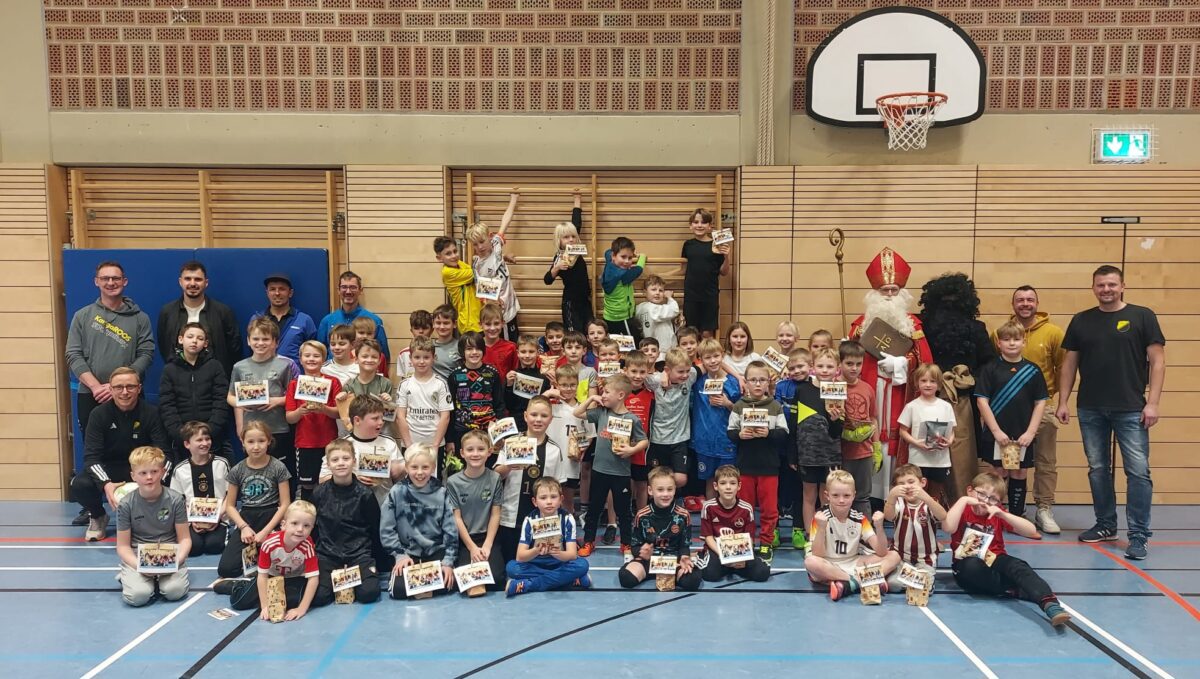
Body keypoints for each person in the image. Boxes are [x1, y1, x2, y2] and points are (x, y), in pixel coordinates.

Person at [1057, 265, 1165, 560]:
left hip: (1131, 408)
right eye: (1101, 285)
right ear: (1093, 287)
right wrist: (1063, 401)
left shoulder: (1142, 316)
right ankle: (1106, 525)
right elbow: (1069, 365)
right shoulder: (1081, 321)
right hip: (1090, 408)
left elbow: (1157, 363)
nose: (1106, 289)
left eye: (1111, 284)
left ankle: (1139, 535)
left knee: (1138, 473)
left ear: (1122, 286)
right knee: (1098, 470)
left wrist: (1152, 402)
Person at [846, 248, 933, 501]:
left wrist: (902, 363)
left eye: (894, 290)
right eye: (885, 291)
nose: (889, 296)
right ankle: (869, 496)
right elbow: (848, 357)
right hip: (870, 390)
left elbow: (925, 362)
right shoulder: (860, 324)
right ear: (875, 293)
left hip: (898, 392)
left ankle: (894, 497)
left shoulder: (912, 325)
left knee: (893, 439)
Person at [945, 472, 1071, 627]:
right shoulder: (962, 508)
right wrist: (964, 500)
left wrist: (1003, 514)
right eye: (981, 494)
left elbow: (1032, 532)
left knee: (1018, 566)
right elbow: (948, 527)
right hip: (967, 564)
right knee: (971, 567)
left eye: (993, 499)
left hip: (995, 558)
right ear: (970, 490)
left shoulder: (997, 513)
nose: (985, 501)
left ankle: (1050, 605)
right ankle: (1017, 588)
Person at [995, 285, 1066, 535]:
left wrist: (1062, 401)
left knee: (1045, 461)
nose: (1025, 303)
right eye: (1020, 300)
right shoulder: (1001, 332)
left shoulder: (1053, 332)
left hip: (1041, 408)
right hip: (1008, 411)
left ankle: (1044, 508)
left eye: (1030, 299)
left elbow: (1063, 368)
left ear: (1037, 303)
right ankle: (1006, 511)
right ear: (1013, 304)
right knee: (1008, 463)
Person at [919, 272, 995, 504]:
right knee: (932, 449)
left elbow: (987, 365)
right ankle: (934, 500)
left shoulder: (975, 329)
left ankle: (961, 499)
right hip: (931, 396)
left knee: (959, 452)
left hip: (961, 399)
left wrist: (968, 381)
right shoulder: (923, 328)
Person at [70, 367, 169, 541]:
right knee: (80, 484)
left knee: (171, 476)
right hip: (111, 470)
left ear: (139, 388)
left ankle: (153, 519)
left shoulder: (152, 413)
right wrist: (106, 483)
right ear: (110, 389)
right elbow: (91, 457)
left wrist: (154, 477)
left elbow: (164, 453)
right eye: (118, 387)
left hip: (142, 469)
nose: (125, 392)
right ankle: (98, 516)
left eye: (130, 386)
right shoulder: (98, 415)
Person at [65, 261, 154, 436]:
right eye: (105, 278)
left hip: (129, 393)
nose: (111, 283)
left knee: (135, 448)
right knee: (94, 448)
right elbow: (73, 354)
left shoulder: (140, 318)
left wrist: (119, 385)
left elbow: (146, 354)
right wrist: (97, 387)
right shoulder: (82, 316)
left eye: (116, 278)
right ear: (96, 281)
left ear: (125, 281)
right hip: (92, 394)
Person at [976, 321, 1049, 521]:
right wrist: (996, 432)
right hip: (997, 433)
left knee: (1019, 471)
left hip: (1022, 433)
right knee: (998, 472)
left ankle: (1016, 516)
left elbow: (1040, 402)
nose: (1012, 343)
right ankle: (994, 514)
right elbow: (982, 401)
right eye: (1006, 340)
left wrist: (1030, 433)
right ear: (998, 343)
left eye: (1016, 339)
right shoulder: (990, 369)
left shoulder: (1032, 370)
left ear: (1024, 342)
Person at [575, 374, 647, 559]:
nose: (603, 395)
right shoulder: (601, 412)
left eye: (607, 392)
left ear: (621, 395)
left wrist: (631, 450)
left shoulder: (632, 418)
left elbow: (644, 441)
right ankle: (589, 541)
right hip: (599, 471)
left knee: (624, 512)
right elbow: (577, 413)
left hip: (621, 473)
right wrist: (591, 398)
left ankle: (626, 543)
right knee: (594, 509)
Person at [726, 360, 789, 564]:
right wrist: (740, 435)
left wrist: (769, 433)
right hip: (745, 466)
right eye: (753, 380)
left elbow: (783, 433)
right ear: (746, 382)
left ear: (768, 382)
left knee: (770, 509)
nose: (758, 384)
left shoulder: (775, 406)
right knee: (745, 508)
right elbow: (730, 432)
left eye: (762, 380)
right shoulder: (738, 406)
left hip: (769, 468)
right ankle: (746, 542)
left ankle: (766, 543)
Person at [804, 470, 900, 601]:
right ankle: (865, 580)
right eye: (836, 495)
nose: (841, 500)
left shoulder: (860, 519)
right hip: (828, 564)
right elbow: (818, 554)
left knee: (894, 556)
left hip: (853, 562)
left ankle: (849, 584)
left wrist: (879, 527)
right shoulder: (820, 517)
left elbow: (881, 552)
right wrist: (821, 528)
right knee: (811, 562)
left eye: (846, 495)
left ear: (854, 495)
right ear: (827, 495)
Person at [114, 446, 189, 608]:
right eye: (143, 473)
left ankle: (159, 579)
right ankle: (128, 575)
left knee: (174, 592)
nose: (149, 477)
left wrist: (177, 561)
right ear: (133, 476)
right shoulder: (126, 504)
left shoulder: (176, 500)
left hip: (169, 555)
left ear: (162, 472)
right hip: (138, 556)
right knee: (138, 597)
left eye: (154, 472)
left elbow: (184, 539)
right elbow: (123, 546)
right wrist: (139, 565)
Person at [227, 317, 299, 486]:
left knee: (282, 475)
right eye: (256, 339)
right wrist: (241, 403)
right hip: (251, 431)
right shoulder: (239, 367)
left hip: (278, 429)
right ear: (248, 340)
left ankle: (284, 507)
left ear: (275, 342)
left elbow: (294, 396)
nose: (260, 343)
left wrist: (278, 401)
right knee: (255, 474)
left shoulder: (284, 366)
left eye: (266, 339)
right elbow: (230, 396)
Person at [380, 444, 457, 599]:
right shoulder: (397, 491)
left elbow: (451, 530)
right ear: (407, 468)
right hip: (408, 555)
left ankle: (421, 590)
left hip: (435, 552)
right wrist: (399, 555)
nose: (420, 472)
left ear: (433, 467)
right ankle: (426, 589)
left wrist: (448, 561)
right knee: (398, 591)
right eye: (414, 467)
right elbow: (387, 529)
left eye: (425, 467)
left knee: (449, 584)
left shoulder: (441, 492)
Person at [311, 440, 383, 606]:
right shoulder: (319, 493)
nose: (341, 463)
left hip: (358, 554)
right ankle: (334, 580)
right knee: (320, 597)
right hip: (327, 554)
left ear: (354, 461)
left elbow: (375, 527)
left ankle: (357, 579)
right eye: (335, 460)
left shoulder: (365, 494)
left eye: (346, 458)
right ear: (328, 464)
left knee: (369, 593)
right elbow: (312, 527)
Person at [496, 397, 567, 562]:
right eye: (534, 415)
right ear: (526, 416)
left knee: (538, 562)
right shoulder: (512, 443)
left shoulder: (554, 450)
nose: (538, 419)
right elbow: (496, 475)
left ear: (550, 419)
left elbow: (557, 488)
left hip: (542, 521)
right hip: (511, 516)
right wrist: (510, 465)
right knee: (510, 564)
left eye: (543, 416)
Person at [217, 422, 291, 579]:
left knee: (278, 567)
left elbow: (285, 504)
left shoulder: (278, 467)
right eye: (250, 442)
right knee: (226, 569)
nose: (256, 446)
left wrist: (266, 532)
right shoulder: (238, 470)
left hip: (272, 518)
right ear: (242, 443)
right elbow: (230, 506)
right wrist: (243, 527)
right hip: (247, 519)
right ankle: (256, 552)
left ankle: (261, 552)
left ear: (269, 441)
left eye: (261, 441)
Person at [786, 348, 843, 550]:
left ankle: (827, 535)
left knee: (827, 497)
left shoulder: (838, 391)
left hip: (830, 455)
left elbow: (837, 431)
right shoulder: (802, 390)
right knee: (808, 496)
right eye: (820, 366)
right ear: (813, 368)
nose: (824, 370)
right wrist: (792, 453)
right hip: (807, 454)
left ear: (837, 369)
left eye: (829, 366)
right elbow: (793, 425)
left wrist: (835, 419)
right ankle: (812, 537)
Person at [229, 500, 324, 621]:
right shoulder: (269, 544)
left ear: (312, 527)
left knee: (313, 599)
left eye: (306, 526)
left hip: (294, 579)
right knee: (239, 602)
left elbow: (313, 579)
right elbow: (262, 576)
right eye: (294, 523)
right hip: (270, 577)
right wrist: (265, 606)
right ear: (283, 524)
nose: (300, 529)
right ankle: (236, 585)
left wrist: (302, 609)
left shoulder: (308, 546)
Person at [618, 466, 701, 591]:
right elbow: (634, 546)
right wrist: (642, 552)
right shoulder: (642, 515)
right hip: (648, 561)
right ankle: (654, 574)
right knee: (626, 578)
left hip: (673, 561)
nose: (665, 494)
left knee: (692, 580)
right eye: (660, 490)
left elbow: (684, 546)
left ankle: (669, 574)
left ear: (675, 490)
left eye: (669, 489)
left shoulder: (683, 515)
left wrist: (684, 558)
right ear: (650, 491)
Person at [159, 322, 231, 464]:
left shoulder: (214, 366)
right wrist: (180, 433)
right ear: (181, 339)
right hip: (182, 440)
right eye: (190, 336)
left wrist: (209, 431)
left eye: (199, 338)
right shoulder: (170, 369)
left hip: (213, 438)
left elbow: (221, 400)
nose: (194, 341)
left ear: (205, 343)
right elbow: (167, 404)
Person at [506, 477, 591, 596]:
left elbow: (572, 555)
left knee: (582, 565)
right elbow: (520, 557)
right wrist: (536, 550)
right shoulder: (529, 520)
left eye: (553, 497)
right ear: (535, 501)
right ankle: (569, 579)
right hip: (536, 563)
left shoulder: (567, 518)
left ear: (561, 499)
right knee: (512, 567)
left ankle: (528, 585)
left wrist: (557, 553)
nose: (549, 502)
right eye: (543, 498)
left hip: (559, 562)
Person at [157, 260, 241, 377]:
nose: (192, 283)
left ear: (206, 283)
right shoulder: (167, 312)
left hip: (215, 381)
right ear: (180, 282)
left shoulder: (223, 312)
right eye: (187, 279)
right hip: (178, 380)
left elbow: (234, 349)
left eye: (198, 279)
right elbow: (164, 347)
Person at [318, 396, 405, 505]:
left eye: (382, 418)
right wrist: (351, 479)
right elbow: (322, 479)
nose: (381, 422)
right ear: (357, 420)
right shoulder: (340, 446)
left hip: (384, 507)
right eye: (375, 418)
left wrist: (399, 470)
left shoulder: (389, 443)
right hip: (351, 509)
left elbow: (400, 479)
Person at [447, 430, 505, 591]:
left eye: (480, 449)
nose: (475, 454)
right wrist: (472, 548)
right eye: (470, 449)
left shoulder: (494, 478)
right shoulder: (453, 482)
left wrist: (487, 544)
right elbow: (456, 518)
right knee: (463, 580)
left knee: (497, 578)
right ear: (462, 453)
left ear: (489, 451)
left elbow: (495, 513)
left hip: (487, 537)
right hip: (465, 539)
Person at [285, 340, 342, 500]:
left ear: (323, 359)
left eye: (316, 356)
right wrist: (300, 411)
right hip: (305, 443)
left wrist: (324, 409)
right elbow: (289, 418)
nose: (311, 359)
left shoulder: (333, 382)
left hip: (329, 442)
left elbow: (339, 413)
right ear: (300, 359)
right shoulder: (294, 384)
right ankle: (308, 520)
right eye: (307, 355)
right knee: (307, 485)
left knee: (330, 483)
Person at [697, 465, 771, 583]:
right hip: (717, 550)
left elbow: (749, 539)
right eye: (723, 483)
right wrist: (723, 556)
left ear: (739, 486)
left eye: (732, 483)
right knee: (710, 575)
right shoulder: (708, 507)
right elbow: (708, 537)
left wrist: (740, 558)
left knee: (763, 573)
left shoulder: (746, 508)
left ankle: (733, 567)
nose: (728, 487)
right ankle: (714, 562)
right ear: (715, 486)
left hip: (740, 550)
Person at [898, 363, 956, 507]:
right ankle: (916, 517)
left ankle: (932, 517)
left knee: (935, 493)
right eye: (923, 381)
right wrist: (917, 443)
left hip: (940, 459)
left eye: (932, 381)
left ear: (939, 383)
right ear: (917, 383)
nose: (928, 385)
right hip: (918, 458)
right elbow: (903, 431)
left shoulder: (946, 406)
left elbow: (952, 431)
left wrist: (949, 442)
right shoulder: (912, 406)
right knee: (917, 493)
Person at [168, 421, 230, 556]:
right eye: (199, 440)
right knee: (194, 548)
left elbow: (230, 496)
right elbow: (177, 501)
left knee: (214, 546)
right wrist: (191, 520)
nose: (205, 443)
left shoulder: (222, 464)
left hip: (219, 518)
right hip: (192, 520)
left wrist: (217, 517)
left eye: (207, 439)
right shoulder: (180, 470)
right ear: (187, 444)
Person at [644, 347, 699, 494]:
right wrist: (662, 373)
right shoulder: (655, 381)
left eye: (687, 370)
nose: (685, 375)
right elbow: (635, 372)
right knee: (656, 478)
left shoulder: (691, 376)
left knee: (680, 479)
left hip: (679, 438)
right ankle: (658, 504)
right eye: (680, 372)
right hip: (658, 438)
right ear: (668, 370)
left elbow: (712, 363)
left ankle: (674, 499)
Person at [883, 464, 945, 592]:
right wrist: (891, 496)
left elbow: (943, 516)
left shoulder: (929, 503)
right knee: (893, 584)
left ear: (922, 482)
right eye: (901, 484)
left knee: (921, 586)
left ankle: (920, 582)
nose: (907, 487)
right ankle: (916, 582)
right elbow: (889, 516)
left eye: (911, 482)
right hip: (900, 557)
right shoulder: (898, 502)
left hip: (925, 559)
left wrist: (927, 498)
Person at [691, 338, 740, 501]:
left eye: (716, 356)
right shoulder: (697, 380)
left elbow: (741, 413)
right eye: (707, 357)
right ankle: (711, 519)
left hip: (726, 441)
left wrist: (728, 404)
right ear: (701, 359)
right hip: (703, 441)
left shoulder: (733, 383)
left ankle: (730, 518)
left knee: (728, 482)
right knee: (710, 482)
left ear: (722, 356)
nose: (713, 361)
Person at [469, 192, 522, 339]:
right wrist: (492, 301)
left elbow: (505, 222)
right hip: (499, 315)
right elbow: (487, 296)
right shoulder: (477, 266)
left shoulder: (496, 245)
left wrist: (513, 199)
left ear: (490, 237)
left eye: (482, 241)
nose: (480, 247)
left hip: (510, 308)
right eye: (475, 244)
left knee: (512, 346)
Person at [839, 341, 880, 516]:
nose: (854, 368)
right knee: (841, 496)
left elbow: (873, 418)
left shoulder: (867, 388)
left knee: (862, 496)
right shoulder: (832, 387)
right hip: (840, 452)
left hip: (864, 452)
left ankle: (865, 535)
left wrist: (876, 446)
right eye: (849, 363)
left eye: (858, 364)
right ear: (840, 363)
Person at [395, 337, 454, 455]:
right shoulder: (404, 384)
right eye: (417, 357)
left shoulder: (441, 384)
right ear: (410, 359)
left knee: (433, 474)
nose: (421, 361)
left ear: (433, 358)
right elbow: (400, 417)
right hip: (411, 443)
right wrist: (408, 445)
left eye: (426, 357)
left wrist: (436, 445)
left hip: (435, 444)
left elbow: (445, 417)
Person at [543, 190, 592, 332]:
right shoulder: (559, 256)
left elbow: (577, 223)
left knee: (589, 331)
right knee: (574, 334)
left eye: (573, 237)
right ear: (559, 241)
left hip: (585, 300)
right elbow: (547, 280)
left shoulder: (576, 249)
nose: (571, 240)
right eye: (566, 237)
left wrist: (577, 200)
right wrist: (556, 268)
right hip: (571, 302)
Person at [678, 208, 731, 339]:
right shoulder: (688, 245)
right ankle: (692, 359)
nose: (699, 225)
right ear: (690, 226)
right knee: (691, 332)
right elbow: (683, 269)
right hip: (691, 295)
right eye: (696, 222)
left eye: (704, 222)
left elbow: (723, 272)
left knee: (707, 333)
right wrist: (663, 276)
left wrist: (727, 257)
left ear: (709, 226)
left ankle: (708, 358)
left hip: (710, 295)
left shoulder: (717, 245)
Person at [448, 331, 507, 449]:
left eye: (478, 349)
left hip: (488, 431)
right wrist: (450, 439)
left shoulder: (492, 373)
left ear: (483, 350)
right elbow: (450, 409)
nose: (474, 352)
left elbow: (499, 404)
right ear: (462, 351)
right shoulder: (454, 375)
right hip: (462, 431)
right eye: (469, 349)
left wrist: (499, 434)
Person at [316, 271, 390, 359]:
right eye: (344, 287)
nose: (348, 291)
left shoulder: (374, 320)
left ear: (360, 290)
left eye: (353, 287)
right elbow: (319, 353)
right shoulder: (327, 321)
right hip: (333, 371)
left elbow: (384, 356)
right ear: (338, 290)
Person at [256, 272, 317, 365]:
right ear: (267, 293)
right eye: (272, 289)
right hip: (264, 376)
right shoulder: (256, 320)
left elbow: (314, 353)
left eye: (282, 289)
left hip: (295, 377)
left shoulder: (304, 320)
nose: (277, 293)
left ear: (290, 293)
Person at [601, 236, 646, 342]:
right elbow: (639, 269)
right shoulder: (623, 274)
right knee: (634, 344)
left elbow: (607, 252)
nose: (627, 261)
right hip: (622, 318)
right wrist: (642, 257)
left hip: (609, 316)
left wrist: (623, 252)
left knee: (615, 346)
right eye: (623, 257)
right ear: (614, 256)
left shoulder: (610, 264)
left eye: (630, 258)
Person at [434, 237, 482, 334]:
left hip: (479, 318)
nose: (454, 256)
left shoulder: (459, 264)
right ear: (439, 258)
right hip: (469, 324)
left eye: (455, 251)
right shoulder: (447, 273)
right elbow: (478, 272)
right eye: (448, 253)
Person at [635, 275, 680, 360]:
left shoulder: (640, 308)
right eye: (653, 289)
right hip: (661, 351)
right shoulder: (653, 308)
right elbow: (674, 310)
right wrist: (670, 298)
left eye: (661, 290)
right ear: (645, 292)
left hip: (652, 349)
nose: (657, 293)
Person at [480, 303, 518, 378]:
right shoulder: (475, 348)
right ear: (480, 325)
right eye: (488, 324)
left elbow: (516, 372)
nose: (492, 328)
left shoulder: (511, 347)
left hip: (504, 389)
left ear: (503, 323)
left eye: (496, 323)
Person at [395, 309, 433, 381]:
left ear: (432, 330)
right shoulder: (404, 354)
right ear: (411, 330)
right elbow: (403, 379)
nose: (421, 331)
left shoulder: (435, 352)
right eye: (416, 328)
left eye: (425, 328)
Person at [321, 324, 360, 388]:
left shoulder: (360, 368)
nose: (336, 347)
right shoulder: (324, 369)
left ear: (352, 344)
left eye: (342, 344)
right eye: (333, 344)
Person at [431, 304, 463, 380]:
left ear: (454, 324)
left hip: (453, 390)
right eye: (438, 323)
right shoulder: (429, 347)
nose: (442, 327)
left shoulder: (460, 346)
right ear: (433, 324)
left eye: (446, 323)